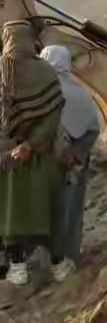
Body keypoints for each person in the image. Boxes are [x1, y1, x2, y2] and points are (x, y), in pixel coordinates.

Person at [0, 22, 65, 285]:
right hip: (39, 156)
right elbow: (52, 120)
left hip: (8, 161)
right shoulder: (46, 71)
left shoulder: (2, 71)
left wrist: (11, 147)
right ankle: (59, 266)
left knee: (10, 213)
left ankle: (17, 268)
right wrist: (31, 144)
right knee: (46, 210)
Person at [41, 45, 99, 281]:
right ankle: (69, 257)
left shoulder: (39, 93)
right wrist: (77, 153)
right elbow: (93, 128)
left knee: (45, 210)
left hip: (46, 164)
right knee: (71, 210)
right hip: (75, 165)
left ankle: (47, 262)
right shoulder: (80, 93)